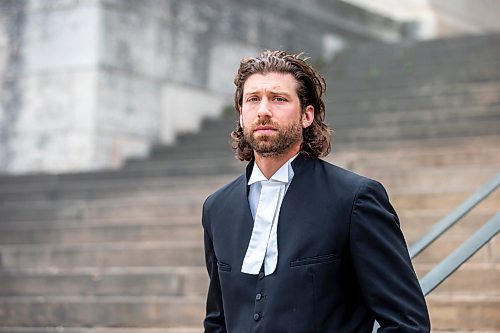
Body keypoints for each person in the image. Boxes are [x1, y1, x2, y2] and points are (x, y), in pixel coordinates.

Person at [202, 50, 430, 332]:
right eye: (253, 99)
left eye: (279, 98)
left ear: (307, 115)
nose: (263, 110)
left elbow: (407, 324)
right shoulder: (216, 208)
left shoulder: (354, 199)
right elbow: (217, 322)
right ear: (240, 114)